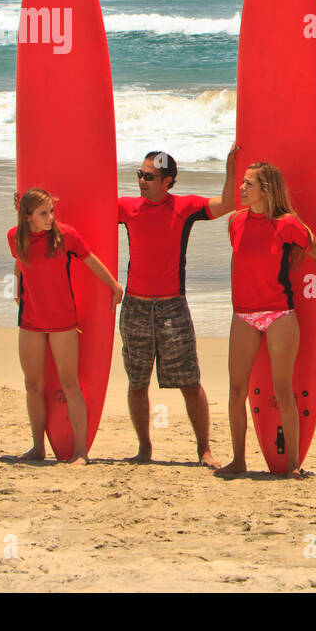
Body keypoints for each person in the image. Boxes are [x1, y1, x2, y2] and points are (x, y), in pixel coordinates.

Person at [216, 161, 316, 479]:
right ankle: (238, 460)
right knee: (235, 390)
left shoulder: (287, 225)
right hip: (243, 315)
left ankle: (294, 464)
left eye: (248, 184)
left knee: (283, 390)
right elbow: (237, 259)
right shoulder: (235, 222)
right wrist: (234, 301)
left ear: (265, 190)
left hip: (279, 315)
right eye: (242, 182)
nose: (242, 189)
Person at [117, 146, 238, 467]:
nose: (141, 181)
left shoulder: (185, 207)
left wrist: (230, 166)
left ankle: (204, 450)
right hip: (135, 307)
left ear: (168, 181)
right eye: (139, 175)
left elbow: (228, 204)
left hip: (172, 308)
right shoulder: (126, 208)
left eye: (149, 177)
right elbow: (82, 208)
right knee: (137, 382)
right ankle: (144, 448)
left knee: (189, 381)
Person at [9, 187, 123, 465]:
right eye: (43, 213)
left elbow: (91, 259)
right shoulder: (14, 237)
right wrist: (15, 290)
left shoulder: (65, 235)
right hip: (30, 322)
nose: (50, 218)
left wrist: (114, 286)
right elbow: (18, 264)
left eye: (51, 211)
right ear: (28, 217)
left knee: (71, 385)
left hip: (63, 323)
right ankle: (38, 447)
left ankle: (81, 451)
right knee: (32, 384)